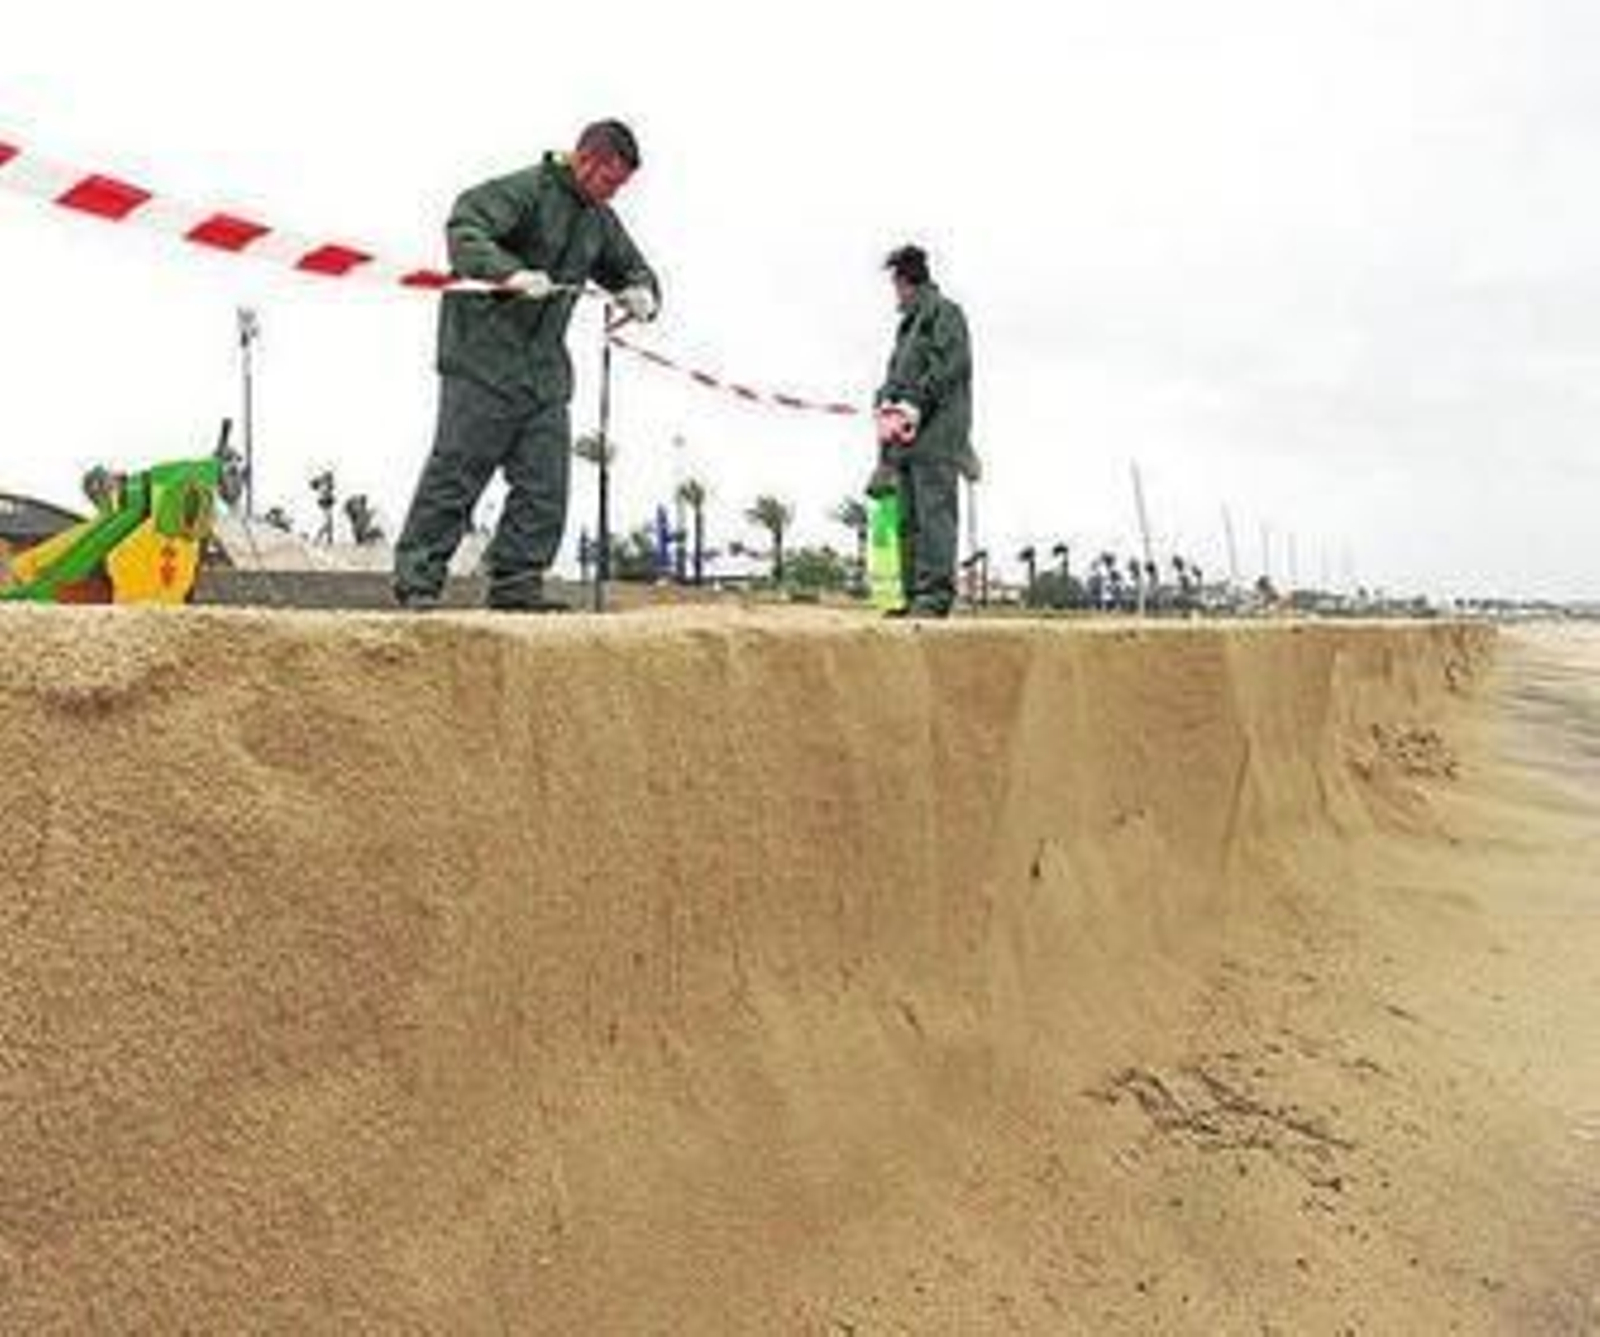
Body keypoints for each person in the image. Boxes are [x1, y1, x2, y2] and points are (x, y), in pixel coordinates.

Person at [393, 119, 660, 611]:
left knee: (544, 483)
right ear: (584, 160)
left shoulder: (598, 220)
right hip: (482, 358)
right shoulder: (526, 192)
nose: (614, 194)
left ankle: (517, 586)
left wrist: (642, 291)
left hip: (543, 373)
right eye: (609, 181)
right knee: (457, 472)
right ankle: (418, 582)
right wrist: (508, 273)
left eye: (621, 186)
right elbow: (465, 226)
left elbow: (631, 264)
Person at [870, 244, 974, 618]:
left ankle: (934, 595)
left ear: (906, 282)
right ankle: (913, 594)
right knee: (908, 519)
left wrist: (916, 401)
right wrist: (884, 402)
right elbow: (896, 377)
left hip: (937, 434)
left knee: (935, 514)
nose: (894, 296)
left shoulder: (944, 314)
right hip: (905, 440)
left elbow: (952, 366)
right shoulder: (908, 328)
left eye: (896, 286)